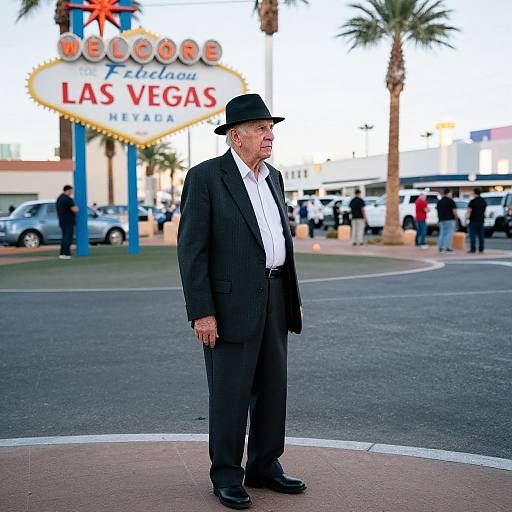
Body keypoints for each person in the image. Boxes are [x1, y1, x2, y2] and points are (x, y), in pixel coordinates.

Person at [177, 94, 306, 510]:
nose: (270, 136)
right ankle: (227, 476)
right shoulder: (206, 178)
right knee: (230, 394)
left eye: (272, 129)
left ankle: (265, 466)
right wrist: (202, 311)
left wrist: (292, 297)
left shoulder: (274, 177)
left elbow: (279, 242)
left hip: (275, 294)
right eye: (261, 129)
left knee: (273, 388)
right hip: (228, 307)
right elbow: (191, 250)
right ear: (235, 136)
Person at [56, 185, 78, 260]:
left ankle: (62, 253)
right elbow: (75, 210)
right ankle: (67, 253)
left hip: (62, 221)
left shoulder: (59, 198)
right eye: (71, 190)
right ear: (68, 190)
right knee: (68, 238)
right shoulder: (68, 199)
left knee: (64, 237)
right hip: (69, 221)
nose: (72, 192)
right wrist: (77, 208)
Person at [436, 188, 458, 253]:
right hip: (450, 220)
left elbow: (437, 211)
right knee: (449, 234)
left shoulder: (439, 201)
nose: (451, 194)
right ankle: (448, 248)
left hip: (441, 220)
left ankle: (440, 248)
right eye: (451, 193)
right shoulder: (451, 201)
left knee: (442, 233)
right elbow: (454, 211)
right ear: (448, 193)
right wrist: (456, 217)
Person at [466, 188, 487, 253]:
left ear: (475, 193)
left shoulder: (472, 201)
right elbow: (485, 210)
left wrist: (467, 218)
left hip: (473, 220)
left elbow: (469, 211)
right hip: (481, 220)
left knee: (472, 235)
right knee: (481, 235)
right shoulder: (483, 201)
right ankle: (481, 248)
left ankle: (473, 249)